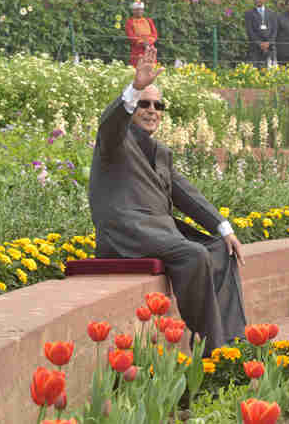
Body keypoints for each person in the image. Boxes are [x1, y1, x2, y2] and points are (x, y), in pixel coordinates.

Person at [88, 45, 247, 354]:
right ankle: (211, 346)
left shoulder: (160, 152)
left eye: (158, 105)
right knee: (195, 255)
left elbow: (186, 194)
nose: (152, 110)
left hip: (160, 233)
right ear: (133, 108)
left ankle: (234, 340)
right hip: (126, 234)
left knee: (220, 249)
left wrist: (224, 228)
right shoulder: (114, 142)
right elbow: (110, 123)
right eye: (144, 104)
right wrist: (134, 87)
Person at [244, 0, 278, 68]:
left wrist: (268, 43)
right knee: (255, 72)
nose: (258, 0)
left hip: (270, 48)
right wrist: (259, 43)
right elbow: (249, 31)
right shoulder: (249, 14)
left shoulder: (272, 13)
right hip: (255, 48)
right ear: (254, 0)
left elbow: (275, 30)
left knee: (271, 73)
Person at [124, 0, 158, 67]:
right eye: (137, 10)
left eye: (141, 10)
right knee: (138, 67)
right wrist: (142, 42)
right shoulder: (129, 22)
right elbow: (131, 36)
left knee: (151, 67)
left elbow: (155, 34)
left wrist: (149, 42)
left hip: (150, 48)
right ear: (133, 11)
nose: (139, 11)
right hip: (137, 50)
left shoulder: (149, 20)